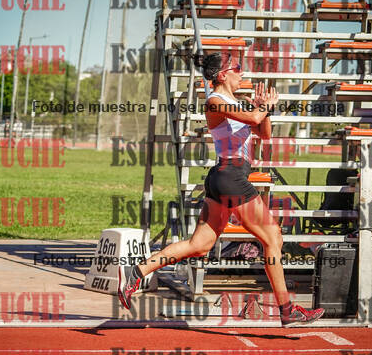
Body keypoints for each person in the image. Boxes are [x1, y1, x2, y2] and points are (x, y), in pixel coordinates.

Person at [117, 52, 325, 325]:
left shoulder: (237, 104)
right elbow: (254, 118)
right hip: (230, 176)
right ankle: (287, 309)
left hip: (225, 177)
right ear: (224, 75)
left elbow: (264, 133)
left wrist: (264, 109)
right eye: (237, 68)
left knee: (199, 245)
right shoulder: (215, 101)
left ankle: (136, 272)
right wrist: (261, 107)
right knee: (273, 238)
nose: (242, 73)